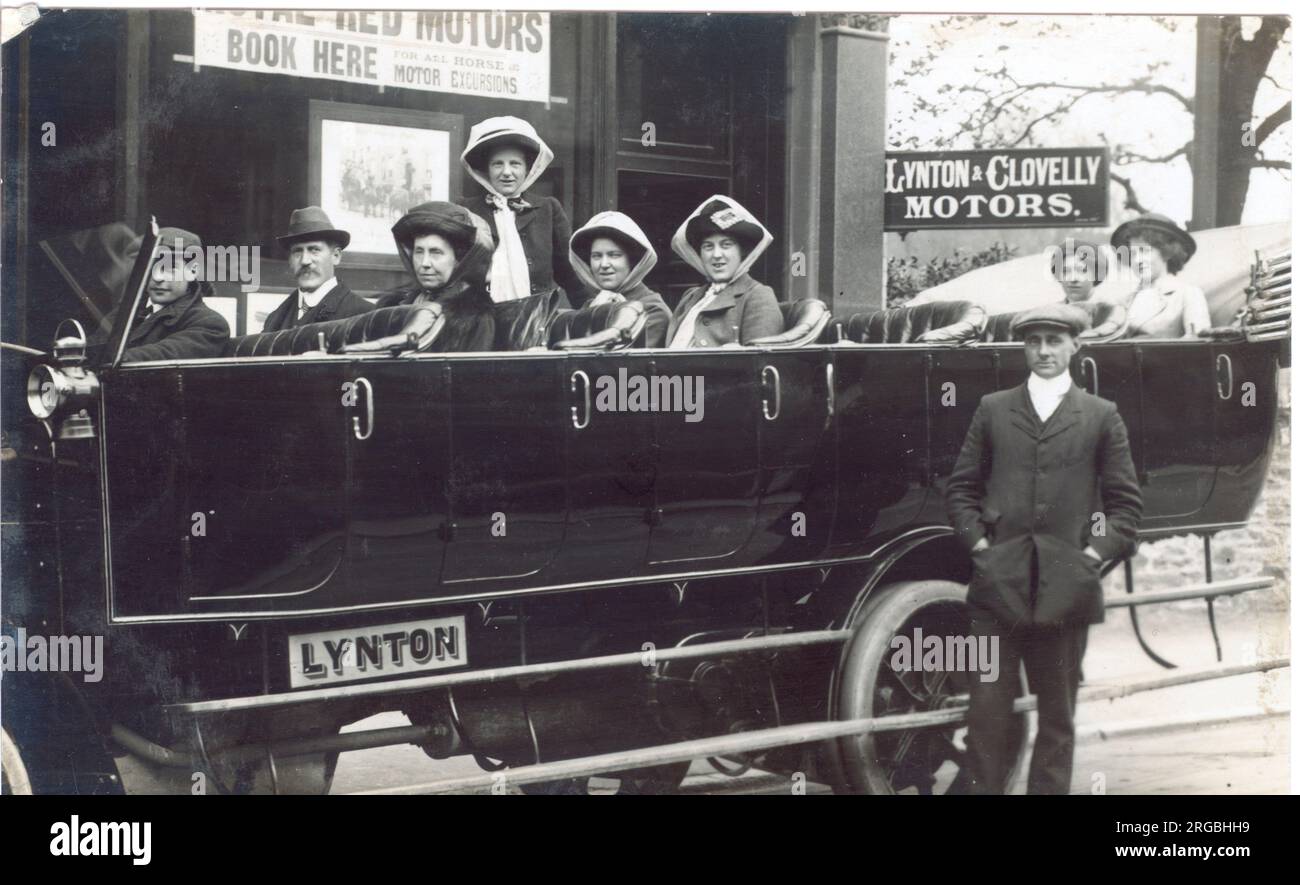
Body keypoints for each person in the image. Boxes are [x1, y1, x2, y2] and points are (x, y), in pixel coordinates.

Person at [946, 303, 1142, 795]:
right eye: (1033, 341)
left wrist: (1090, 559)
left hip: (1065, 589)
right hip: (995, 590)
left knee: (1057, 721)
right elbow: (961, 490)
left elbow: (1126, 507)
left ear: (1076, 345)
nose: (1044, 351)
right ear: (1023, 347)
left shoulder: (1100, 416)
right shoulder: (994, 408)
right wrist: (982, 548)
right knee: (985, 717)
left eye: (1055, 341)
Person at [457, 116, 585, 306]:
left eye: (515, 164)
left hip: (534, 320)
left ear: (527, 169)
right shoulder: (466, 210)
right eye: (497, 164)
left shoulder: (548, 209)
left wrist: (589, 306)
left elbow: (569, 271)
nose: (506, 172)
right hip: (478, 318)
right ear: (486, 170)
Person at [375, 201, 496, 352]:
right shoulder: (395, 305)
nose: (424, 263)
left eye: (435, 252)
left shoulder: (475, 317)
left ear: (459, 260)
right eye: (419, 251)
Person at [664, 195, 783, 348]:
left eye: (726, 245)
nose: (716, 254)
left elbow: (759, 364)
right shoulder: (691, 296)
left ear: (741, 253)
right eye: (708, 246)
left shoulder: (758, 296)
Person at [112, 227, 229, 362]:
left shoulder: (209, 324)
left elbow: (159, 355)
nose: (157, 277)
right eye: (149, 268)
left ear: (192, 271)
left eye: (168, 268)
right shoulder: (125, 314)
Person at [568, 211, 671, 347]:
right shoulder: (591, 304)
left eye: (614, 255)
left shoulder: (653, 311)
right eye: (596, 256)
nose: (604, 264)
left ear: (632, 261)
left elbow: (624, 366)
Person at [262, 206, 374, 332]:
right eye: (297, 252)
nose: (305, 261)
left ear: (335, 256)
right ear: (290, 260)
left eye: (314, 250)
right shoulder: (274, 320)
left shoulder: (365, 315)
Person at [1110, 213, 1210, 338]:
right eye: (1133, 254)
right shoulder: (1125, 301)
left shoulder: (1188, 294)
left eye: (1144, 251)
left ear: (1167, 252)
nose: (1137, 260)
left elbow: (1198, 344)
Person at [1050, 238, 1108, 303]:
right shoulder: (1049, 312)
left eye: (1082, 271)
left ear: (1096, 274)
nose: (1073, 279)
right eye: (1065, 271)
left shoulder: (1113, 311)